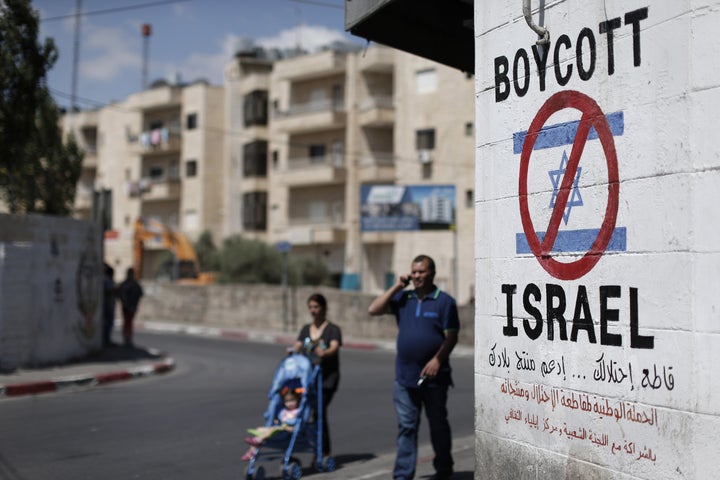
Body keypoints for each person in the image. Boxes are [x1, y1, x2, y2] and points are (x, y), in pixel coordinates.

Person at [368, 254, 459, 480]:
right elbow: (374, 309)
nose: (417, 276)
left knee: (438, 426)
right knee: (407, 428)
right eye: (414, 272)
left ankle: (444, 470)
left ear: (432, 273)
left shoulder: (444, 301)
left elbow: (451, 336)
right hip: (405, 378)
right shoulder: (403, 298)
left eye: (422, 272)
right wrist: (397, 285)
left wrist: (437, 360)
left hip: (434, 379)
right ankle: (403, 475)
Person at [291, 293, 342, 457]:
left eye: (316, 307)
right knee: (305, 410)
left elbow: (334, 347)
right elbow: (298, 344)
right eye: (311, 307)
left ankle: (324, 451)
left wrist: (324, 352)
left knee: (319, 411)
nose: (313, 311)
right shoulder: (306, 329)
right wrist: (293, 350)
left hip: (327, 378)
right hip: (309, 378)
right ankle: (313, 447)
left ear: (324, 308)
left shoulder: (332, 330)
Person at [241, 387, 302, 461]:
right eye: (287, 402)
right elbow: (279, 420)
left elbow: (297, 426)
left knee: (273, 429)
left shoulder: (298, 412)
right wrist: (276, 420)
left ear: (297, 400)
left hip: (287, 432)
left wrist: (288, 428)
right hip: (279, 429)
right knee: (259, 430)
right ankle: (251, 451)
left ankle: (258, 440)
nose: (290, 404)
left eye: (292, 401)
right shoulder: (284, 411)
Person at [117, 267, 144, 347]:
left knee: (128, 323)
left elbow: (140, 294)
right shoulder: (127, 284)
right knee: (127, 323)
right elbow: (120, 294)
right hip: (127, 307)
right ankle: (126, 338)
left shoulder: (134, 284)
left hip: (131, 307)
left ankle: (128, 338)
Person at [102, 263, 117, 347]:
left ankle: (107, 339)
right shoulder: (107, 280)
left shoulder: (109, 280)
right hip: (107, 305)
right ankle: (106, 340)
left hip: (110, 305)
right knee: (107, 323)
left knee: (109, 323)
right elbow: (107, 291)